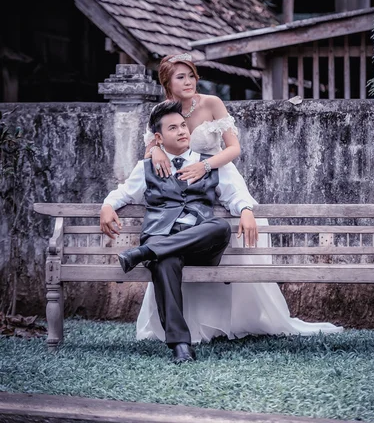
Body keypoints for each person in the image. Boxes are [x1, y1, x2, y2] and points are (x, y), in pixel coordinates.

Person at [136, 53, 343, 342]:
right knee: (178, 237)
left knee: (241, 232)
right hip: (185, 194)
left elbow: (234, 148)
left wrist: (205, 165)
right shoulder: (161, 111)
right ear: (167, 82)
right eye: (180, 77)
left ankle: (236, 317)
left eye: (192, 75)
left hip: (219, 177)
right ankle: (191, 324)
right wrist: (155, 150)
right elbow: (151, 154)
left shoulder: (211, 103)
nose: (188, 81)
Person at [100, 101, 258, 363]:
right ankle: (180, 345)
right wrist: (107, 205)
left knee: (219, 227)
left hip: (200, 247)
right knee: (165, 262)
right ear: (159, 138)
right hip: (163, 238)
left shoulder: (211, 164)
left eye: (183, 125)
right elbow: (124, 193)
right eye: (173, 128)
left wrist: (246, 211)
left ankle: (145, 252)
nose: (183, 131)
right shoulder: (147, 168)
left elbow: (237, 194)